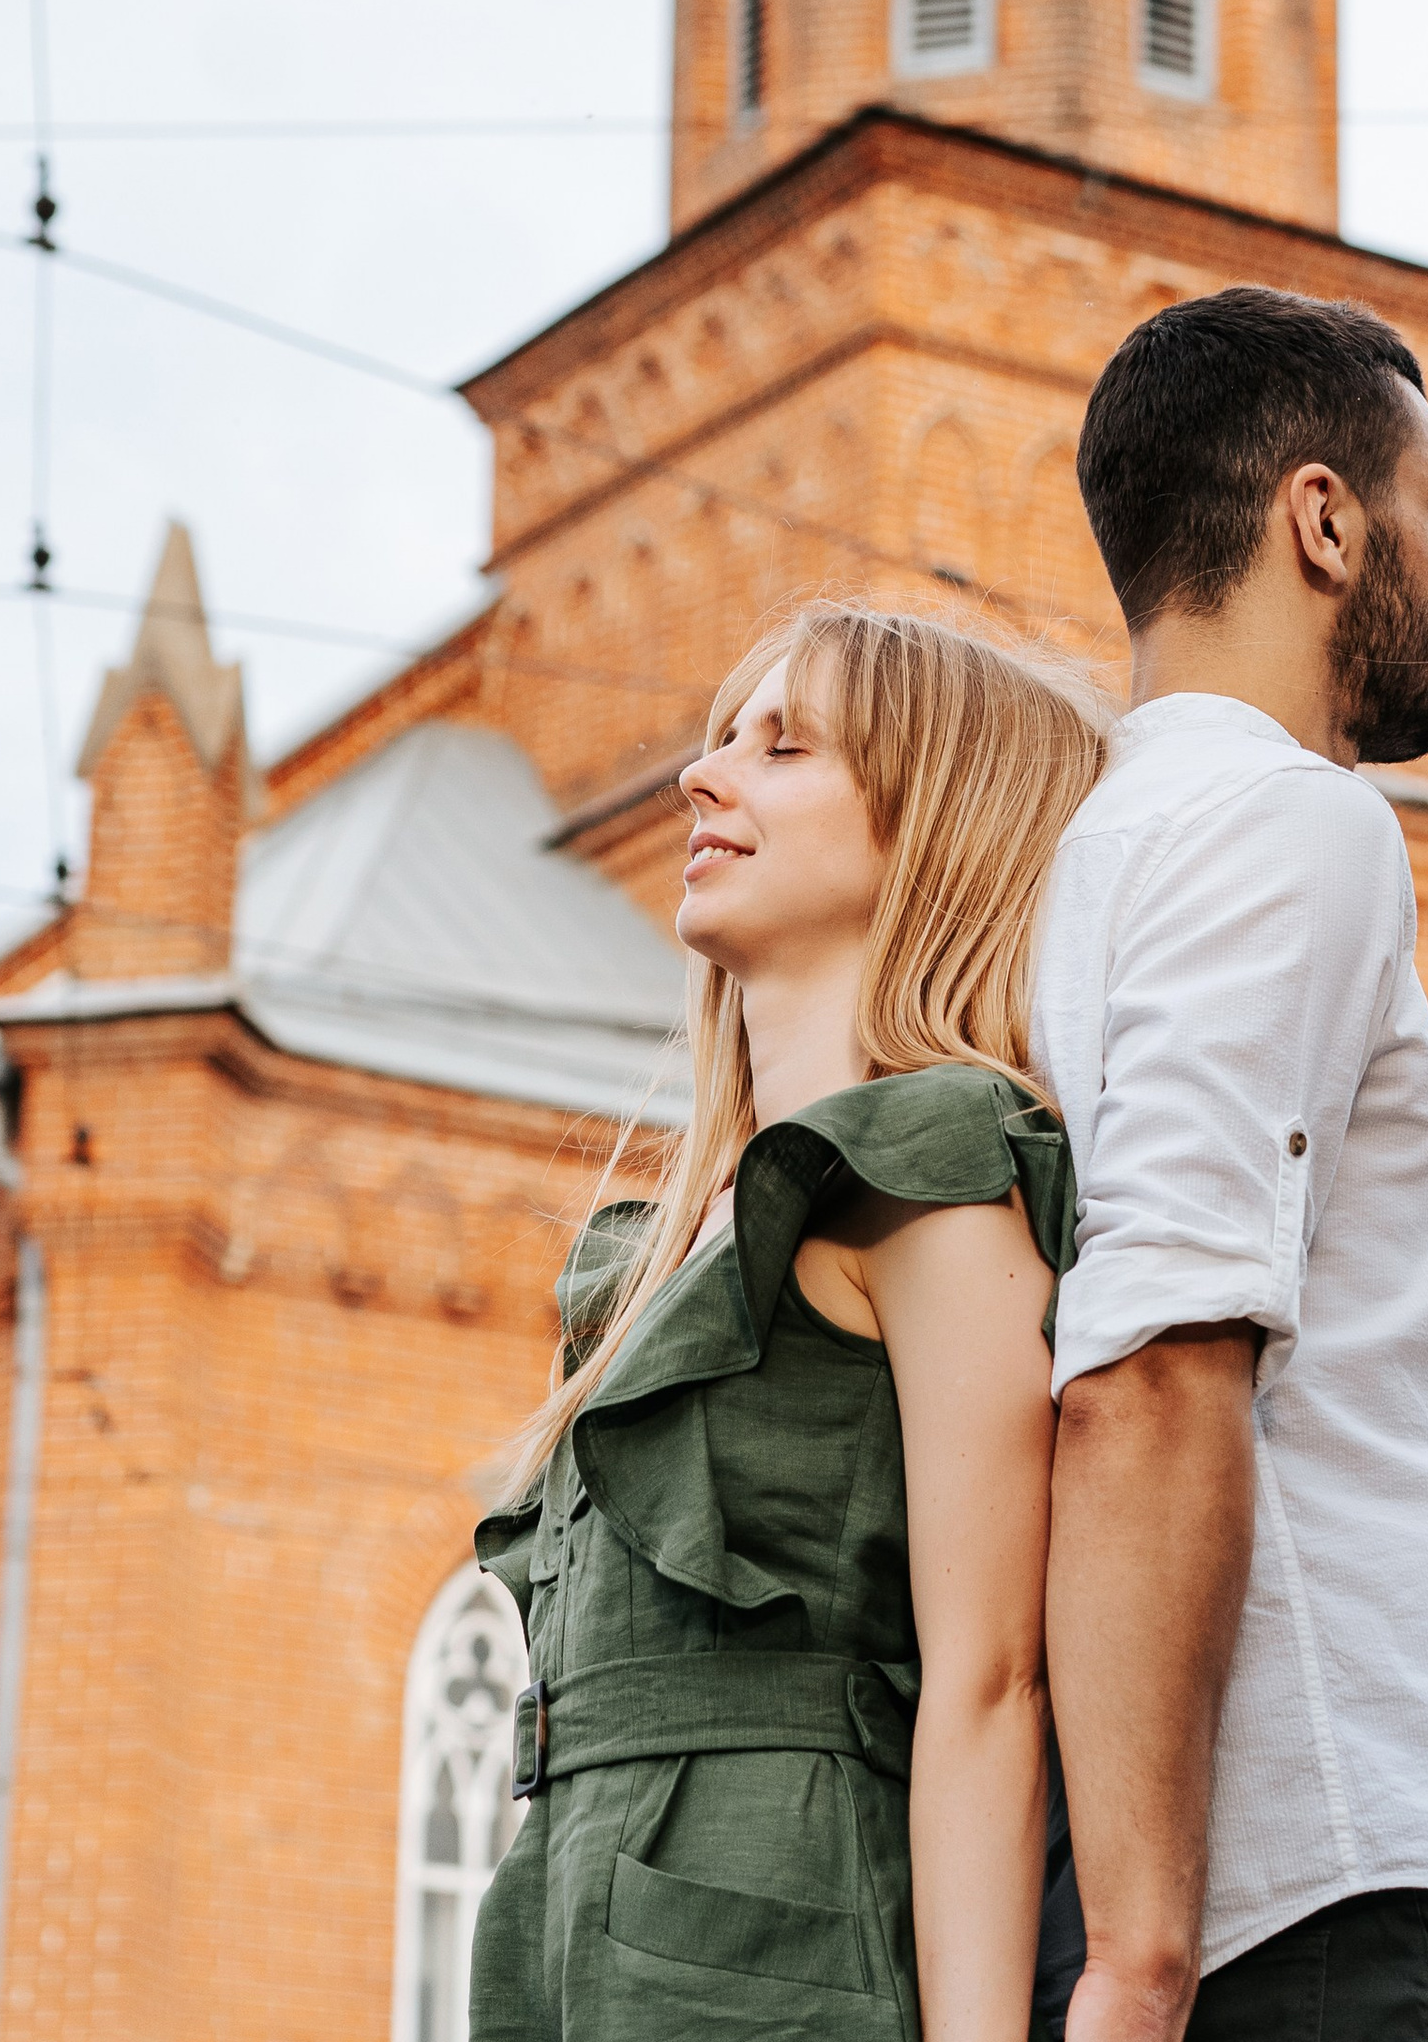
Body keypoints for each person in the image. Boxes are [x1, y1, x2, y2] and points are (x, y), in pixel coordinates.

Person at [1034, 286, 1428, 2042]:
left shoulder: (1075, 860)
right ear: (1320, 519)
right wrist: (1142, 1957)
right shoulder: (1289, 822)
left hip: (1284, 1896)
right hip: (1357, 1899)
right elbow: (1150, 1363)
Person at [468, 602, 1111, 2042]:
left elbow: (989, 1685)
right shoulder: (660, 1244)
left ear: (932, 824)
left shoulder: (936, 1174)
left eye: (783, 745)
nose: (705, 779)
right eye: (717, 741)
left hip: (780, 1953)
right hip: (568, 1938)